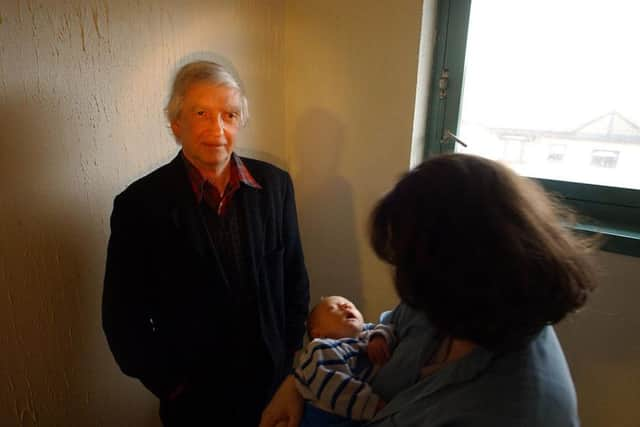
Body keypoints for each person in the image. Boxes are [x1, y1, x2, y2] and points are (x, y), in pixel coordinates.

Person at [260, 153, 597, 427]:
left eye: (409, 265)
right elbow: (389, 329)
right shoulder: (446, 307)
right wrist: (295, 383)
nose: (404, 283)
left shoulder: (519, 409)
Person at [102, 60, 310, 426]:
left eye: (229, 115)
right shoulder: (139, 206)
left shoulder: (276, 187)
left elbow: (294, 279)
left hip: (274, 389)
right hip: (196, 403)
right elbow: (122, 319)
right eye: (202, 113)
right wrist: (171, 385)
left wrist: (291, 361)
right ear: (176, 123)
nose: (217, 129)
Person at [295, 296, 395, 426]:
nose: (345, 306)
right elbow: (332, 383)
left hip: (355, 412)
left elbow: (387, 328)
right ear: (318, 333)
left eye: (350, 304)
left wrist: (379, 337)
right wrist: (371, 405)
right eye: (333, 308)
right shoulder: (321, 347)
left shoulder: (367, 335)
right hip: (325, 415)